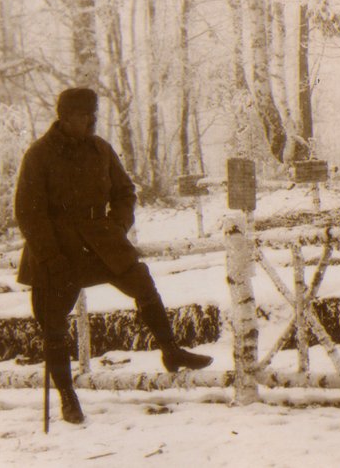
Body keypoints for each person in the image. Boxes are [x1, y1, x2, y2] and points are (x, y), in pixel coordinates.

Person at [15, 87, 211, 424]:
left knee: (142, 282)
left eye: (93, 114)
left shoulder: (100, 149)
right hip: (57, 248)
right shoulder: (39, 155)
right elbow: (28, 212)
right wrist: (49, 256)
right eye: (82, 115)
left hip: (100, 240)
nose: (90, 121)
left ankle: (171, 351)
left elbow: (125, 192)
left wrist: (117, 226)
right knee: (53, 324)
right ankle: (67, 397)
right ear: (63, 117)